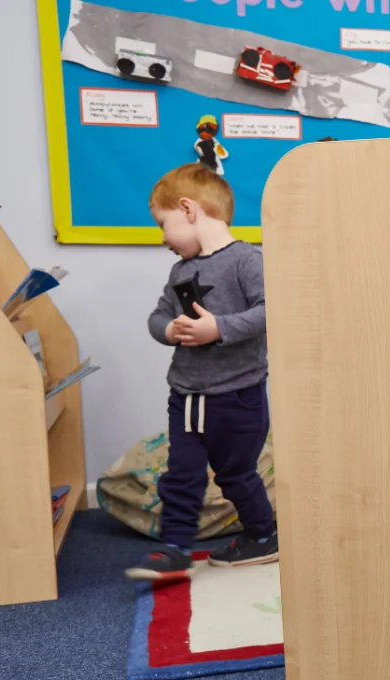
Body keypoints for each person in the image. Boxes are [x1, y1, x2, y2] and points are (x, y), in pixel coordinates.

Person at [127, 164, 278, 581]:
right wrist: (170, 330)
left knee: (236, 474)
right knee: (183, 473)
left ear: (188, 210)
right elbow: (157, 316)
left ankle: (264, 536)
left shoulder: (247, 260)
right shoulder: (180, 271)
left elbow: (271, 310)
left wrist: (219, 327)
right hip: (188, 396)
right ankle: (174, 548)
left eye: (163, 225)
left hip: (239, 395)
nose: (162, 239)